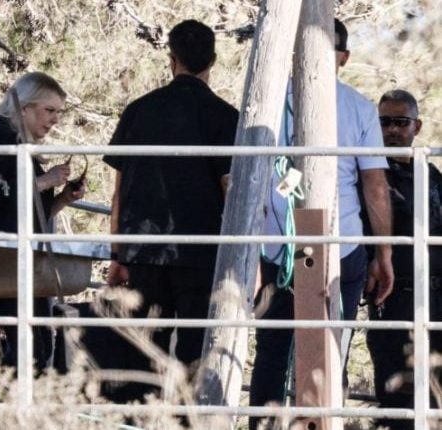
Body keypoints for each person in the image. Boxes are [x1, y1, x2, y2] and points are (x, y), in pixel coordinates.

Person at [249, 19, 394, 429]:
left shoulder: (270, 104)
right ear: (343, 58)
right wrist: (384, 253)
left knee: (272, 351)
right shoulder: (358, 107)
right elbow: (375, 186)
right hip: (335, 241)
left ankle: (266, 425)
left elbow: (251, 182)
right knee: (333, 348)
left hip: (280, 243)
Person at [103, 19, 238, 402]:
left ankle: (138, 418)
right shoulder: (225, 116)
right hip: (201, 252)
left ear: (171, 59)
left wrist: (117, 254)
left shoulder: (138, 111)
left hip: (144, 251)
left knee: (143, 349)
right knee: (194, 353)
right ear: (213, 60)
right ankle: (185, 420)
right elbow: (231, 190)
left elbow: (119, 191)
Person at [0, 71, 85, 370]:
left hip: (18, 253)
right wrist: (46, 181)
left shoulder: (19, 141)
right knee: (31, 342)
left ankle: (14, 389)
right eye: (49, 110)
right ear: (25, 107)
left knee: (37, 341)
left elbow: (29, 210)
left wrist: (62, 198)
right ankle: (10, 390)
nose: (55, 120)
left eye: (58, 112)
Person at [365, 89, 442, 430]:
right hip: (393, 296)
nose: (392, 130)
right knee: (396, 391)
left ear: (417, 126)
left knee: (436, 390)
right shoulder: (369, 174)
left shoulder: (431, 173)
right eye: (384, 122)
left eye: (401, 122)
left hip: (436, 298)